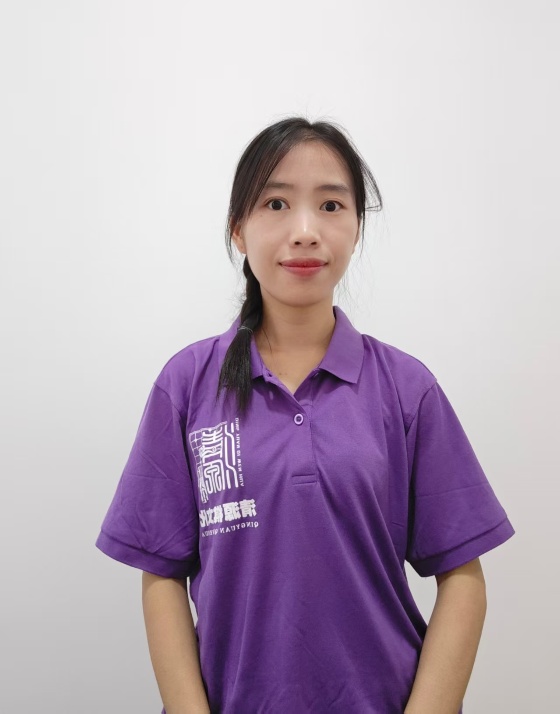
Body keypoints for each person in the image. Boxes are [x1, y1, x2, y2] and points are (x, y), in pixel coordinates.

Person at [95, 116, 515, 714]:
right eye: (275, 204)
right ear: (238, 230)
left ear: (356, 228)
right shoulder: (186, 385)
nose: (305, 231)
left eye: (331, 205)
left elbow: (463, 577)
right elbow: (162, 573)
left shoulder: (407, 389)